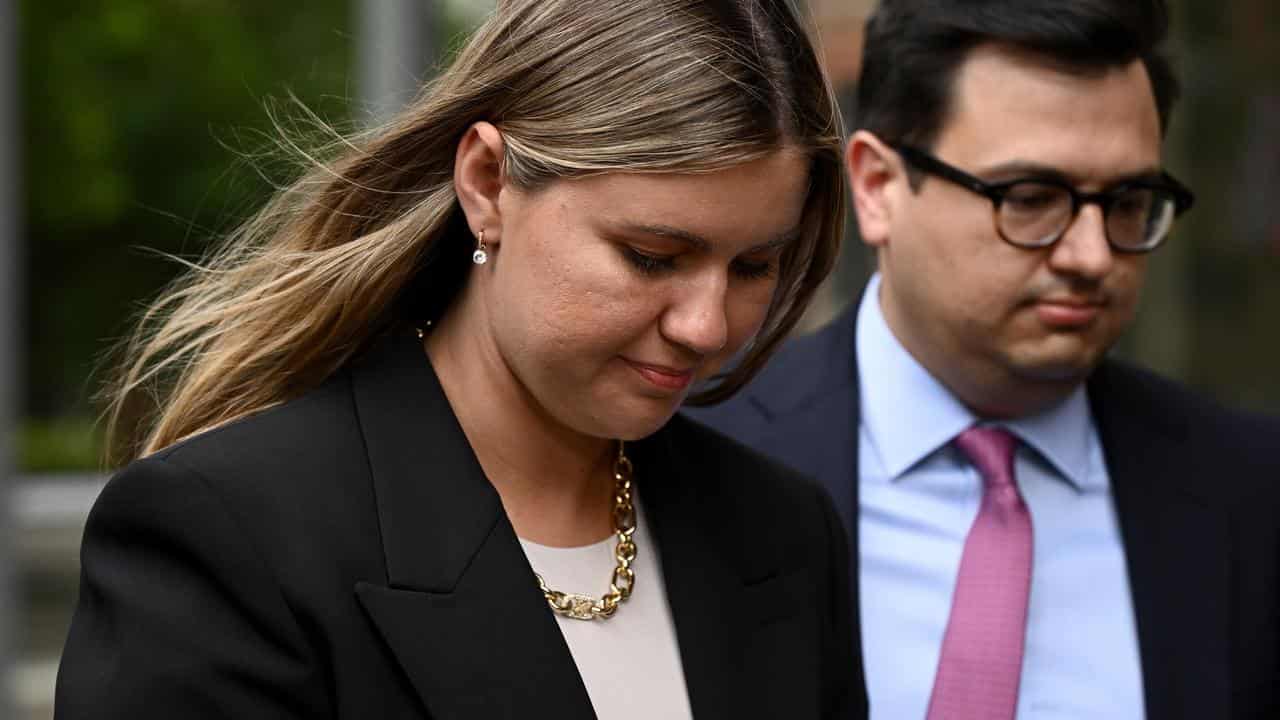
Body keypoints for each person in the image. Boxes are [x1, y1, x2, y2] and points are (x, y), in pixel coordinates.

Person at [54, 1, 866, 717]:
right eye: (651, 256)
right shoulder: (232, 535)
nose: (707, 325)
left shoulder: (783, 531)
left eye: (755, 266)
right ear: (486, 182)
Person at [688, 1, 1280, 718]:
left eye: (1129, 201)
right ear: (877, 187)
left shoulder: (1246, 491)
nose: (1091, 256)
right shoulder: (696, 459)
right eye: (1030, 199)